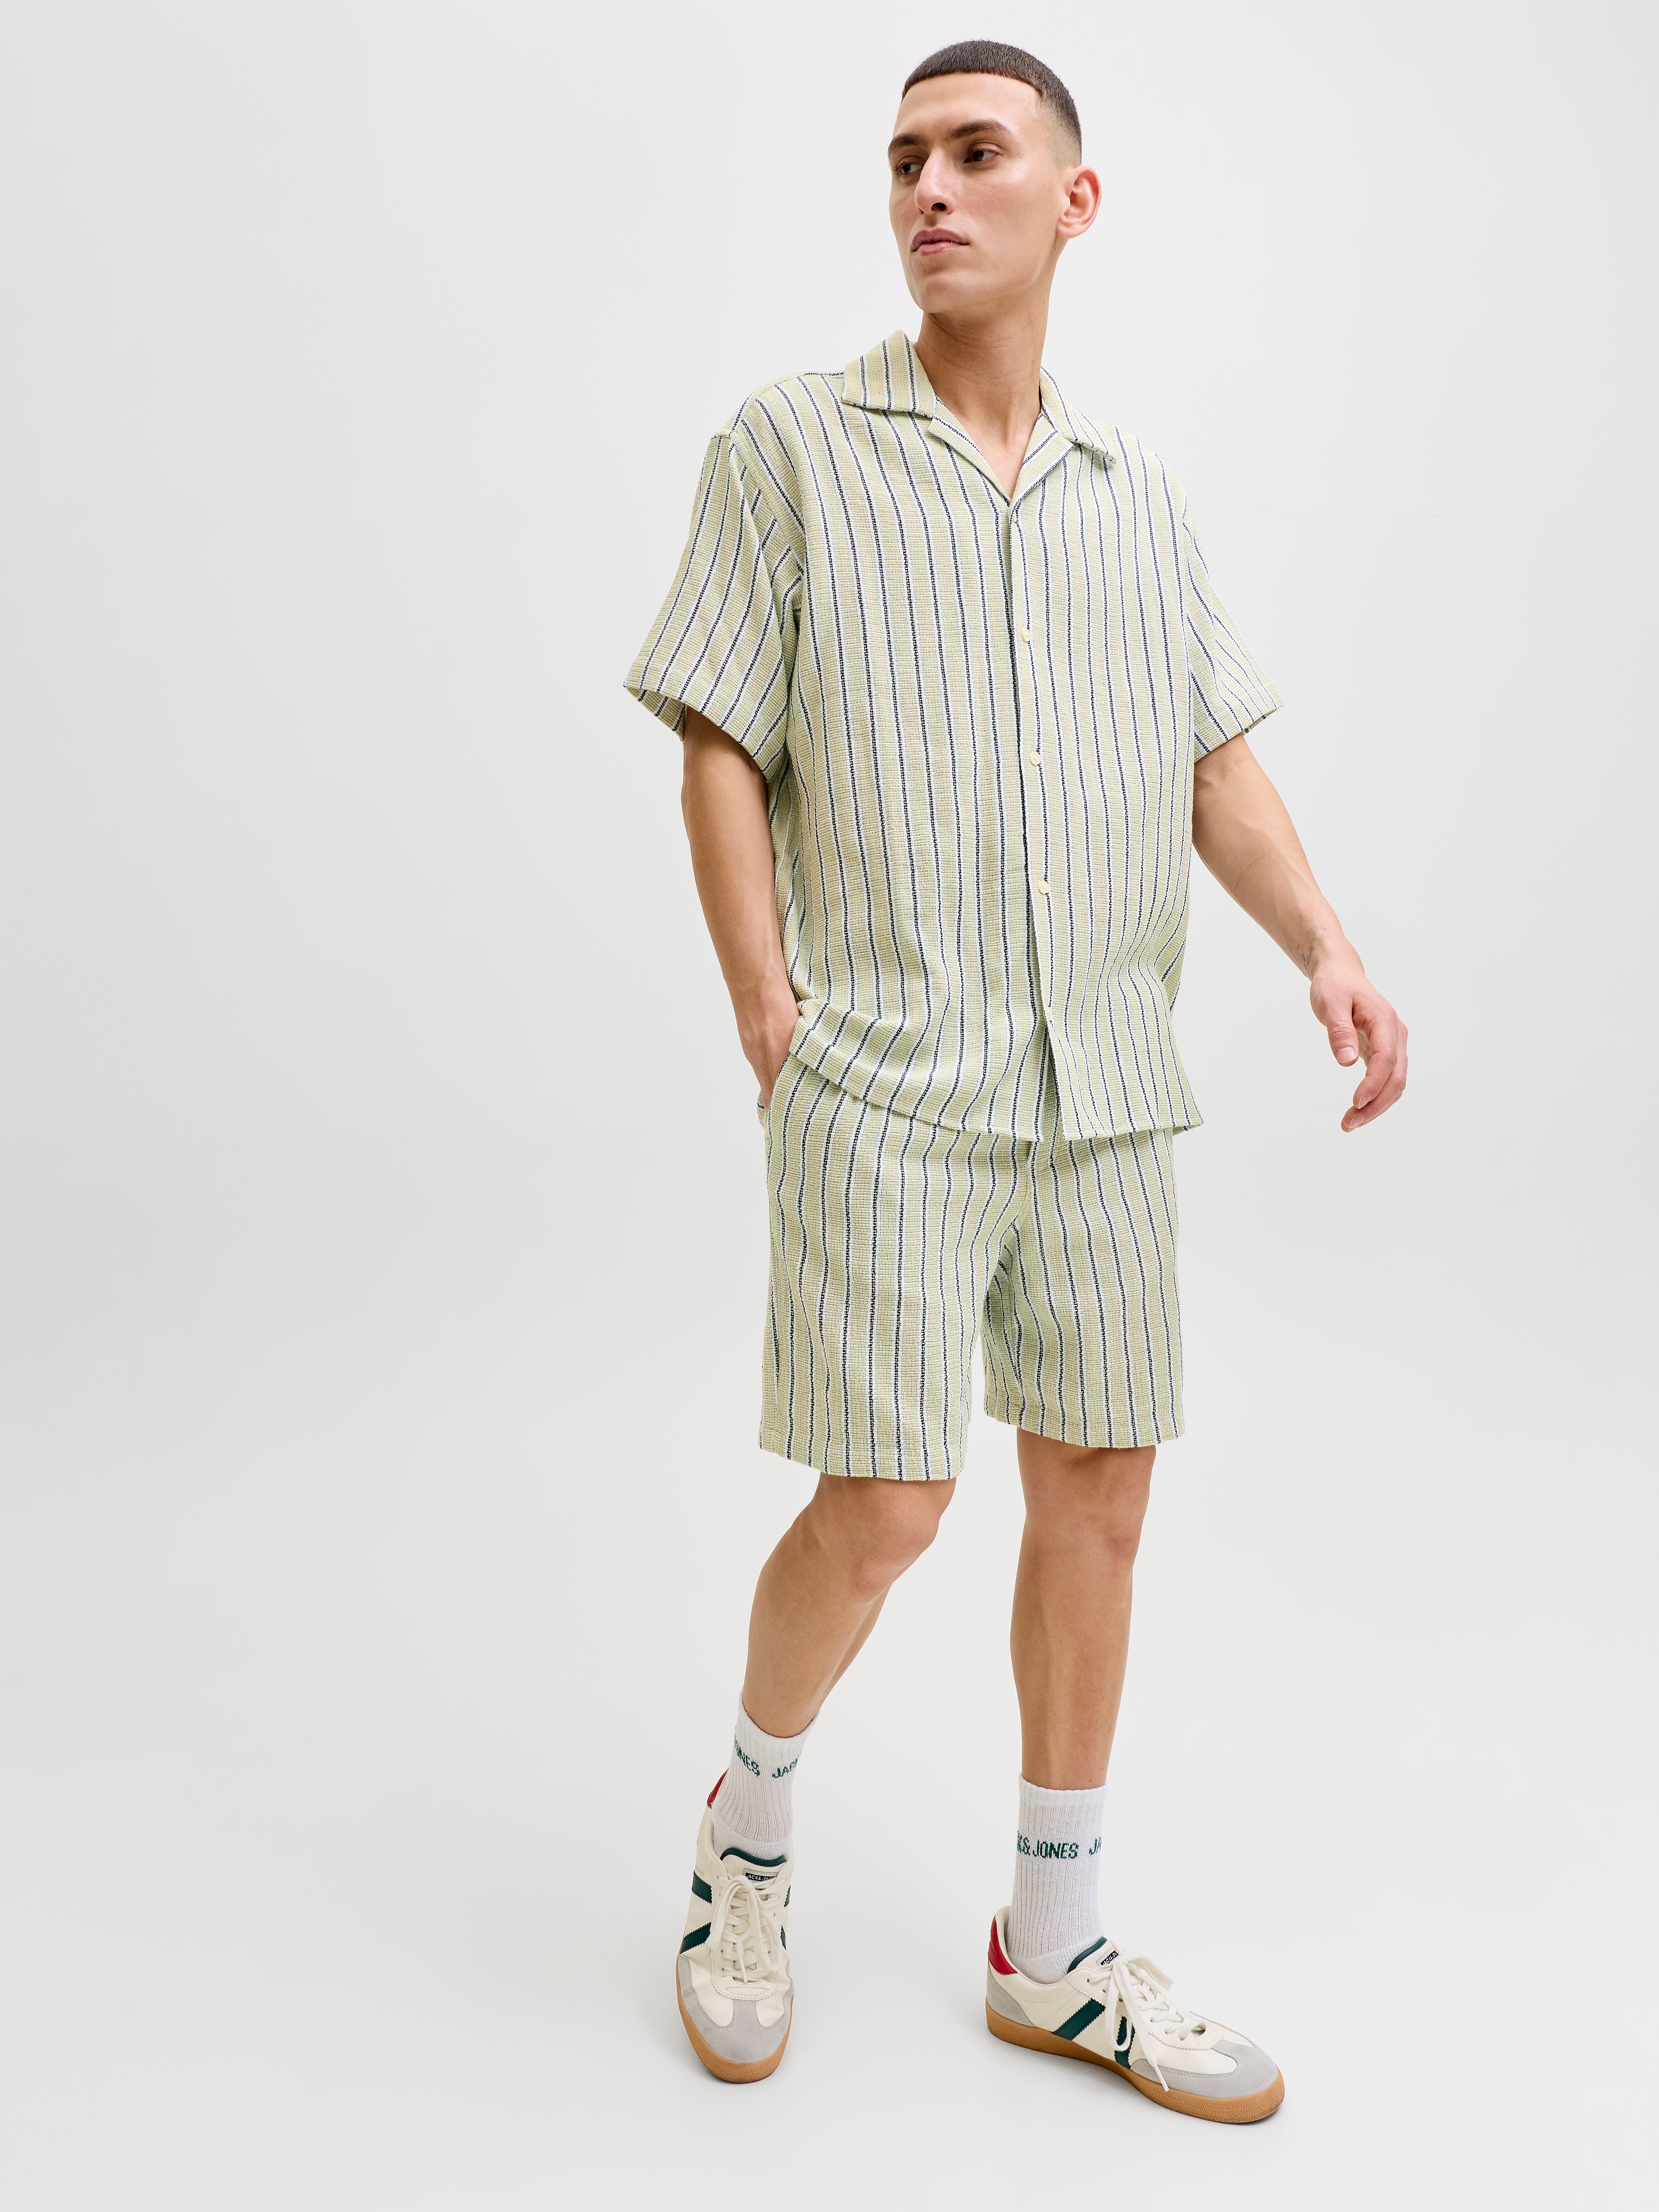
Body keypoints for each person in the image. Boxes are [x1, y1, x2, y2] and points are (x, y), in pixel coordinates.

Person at [623, 38, 1405, 2122]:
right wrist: (766, 1003)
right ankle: (745, 1837)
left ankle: (1053, 1949)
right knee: (887, 1503)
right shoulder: (791, 449)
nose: (930, 191)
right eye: (905, 159)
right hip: (887, 1074)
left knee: (1100, 1497)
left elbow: (1213, 762)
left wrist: (1326, 947)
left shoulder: (1137, 497)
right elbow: (719, 734)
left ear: (1076, 199)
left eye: (978, 153)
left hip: (1107, 1087)